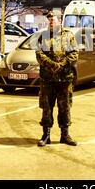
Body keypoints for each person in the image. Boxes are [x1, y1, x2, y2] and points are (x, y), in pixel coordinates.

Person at [36, 11, 79, 147]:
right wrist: (52, 65)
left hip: (64, 79)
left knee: (64, 108)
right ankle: (46, 135)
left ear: (60, 20)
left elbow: (74, 54)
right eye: (49, 19)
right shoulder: (43, 36)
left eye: (53, 19)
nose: (50, 21)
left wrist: (62, 65)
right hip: (48, 79)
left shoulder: (68, 35)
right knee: (47, 108)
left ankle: (65, 135)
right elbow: (39, 54)